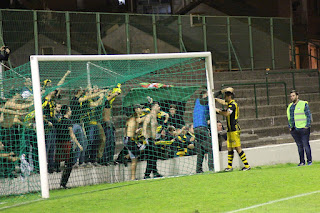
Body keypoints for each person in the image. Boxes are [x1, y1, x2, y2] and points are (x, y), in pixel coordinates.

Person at [215, 89, 251, 171]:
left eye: (225, 96)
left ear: (229, 97)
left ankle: (247, 165)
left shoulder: (233, 105)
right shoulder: (230, 103)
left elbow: (227, 113)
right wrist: (216, 99)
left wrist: (218, 111)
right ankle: (229, 167)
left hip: (234, 129)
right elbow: (223, 102)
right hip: (230, 130)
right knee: (230, 148)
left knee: (238, 148)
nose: (224, 98)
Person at [57, 105, 83, 189]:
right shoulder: (68, 121)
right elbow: (72, 134)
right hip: (66, 144)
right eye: (70, 110)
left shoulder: (60, 120)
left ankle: (62, 183)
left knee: (66, 163)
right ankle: (63, 184)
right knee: (69, 164)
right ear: (67, 111)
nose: (71, 112)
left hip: (60, 143)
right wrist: (78, 144)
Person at [287, 90, 312, 166]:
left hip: (303, 128)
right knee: (299, 145)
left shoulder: (303, 104)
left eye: (293, 95)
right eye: (291, 96)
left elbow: (308, 115)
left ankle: (309, 161)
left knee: (305, 144)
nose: (292, 97)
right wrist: (290, 127)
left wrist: (307, 126)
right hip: (294, 128)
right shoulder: (290, 106)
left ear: (297, 96)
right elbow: (289, 117)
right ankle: (302, 161)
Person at [193, 90, 214, 173]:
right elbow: (208, 99)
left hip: (196, 129)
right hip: (202, 128)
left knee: (200, 150)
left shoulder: (200, 105)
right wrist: (220, 92)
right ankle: (212, 168)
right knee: (210, 148)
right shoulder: (200, 101)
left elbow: (208, 115)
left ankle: (198, 169)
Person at [142, 102, 163, 179]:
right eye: (158, 106)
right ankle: (147, 174)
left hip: (152, 140)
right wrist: (144, 136)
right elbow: (145, 124)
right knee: (151, 156)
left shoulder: (155, 116)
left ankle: (154, 172)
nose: (159, 107)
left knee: (154, 156)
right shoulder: (149, 116)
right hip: (148, 139)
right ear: (153, 107)